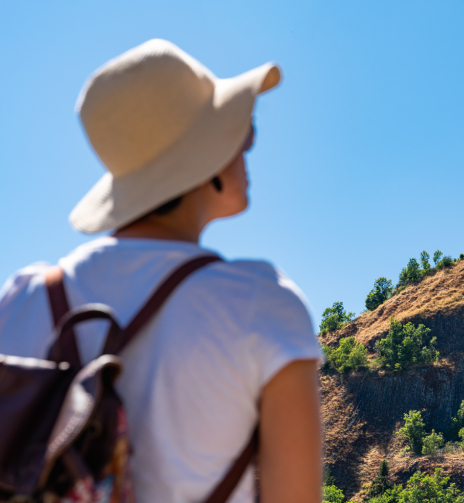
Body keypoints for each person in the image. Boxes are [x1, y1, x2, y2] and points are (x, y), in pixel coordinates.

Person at [0, 40, 323, 503]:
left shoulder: (23, 299)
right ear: (202, 159)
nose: (247, 146)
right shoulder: (262, 303)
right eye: (242, 133)